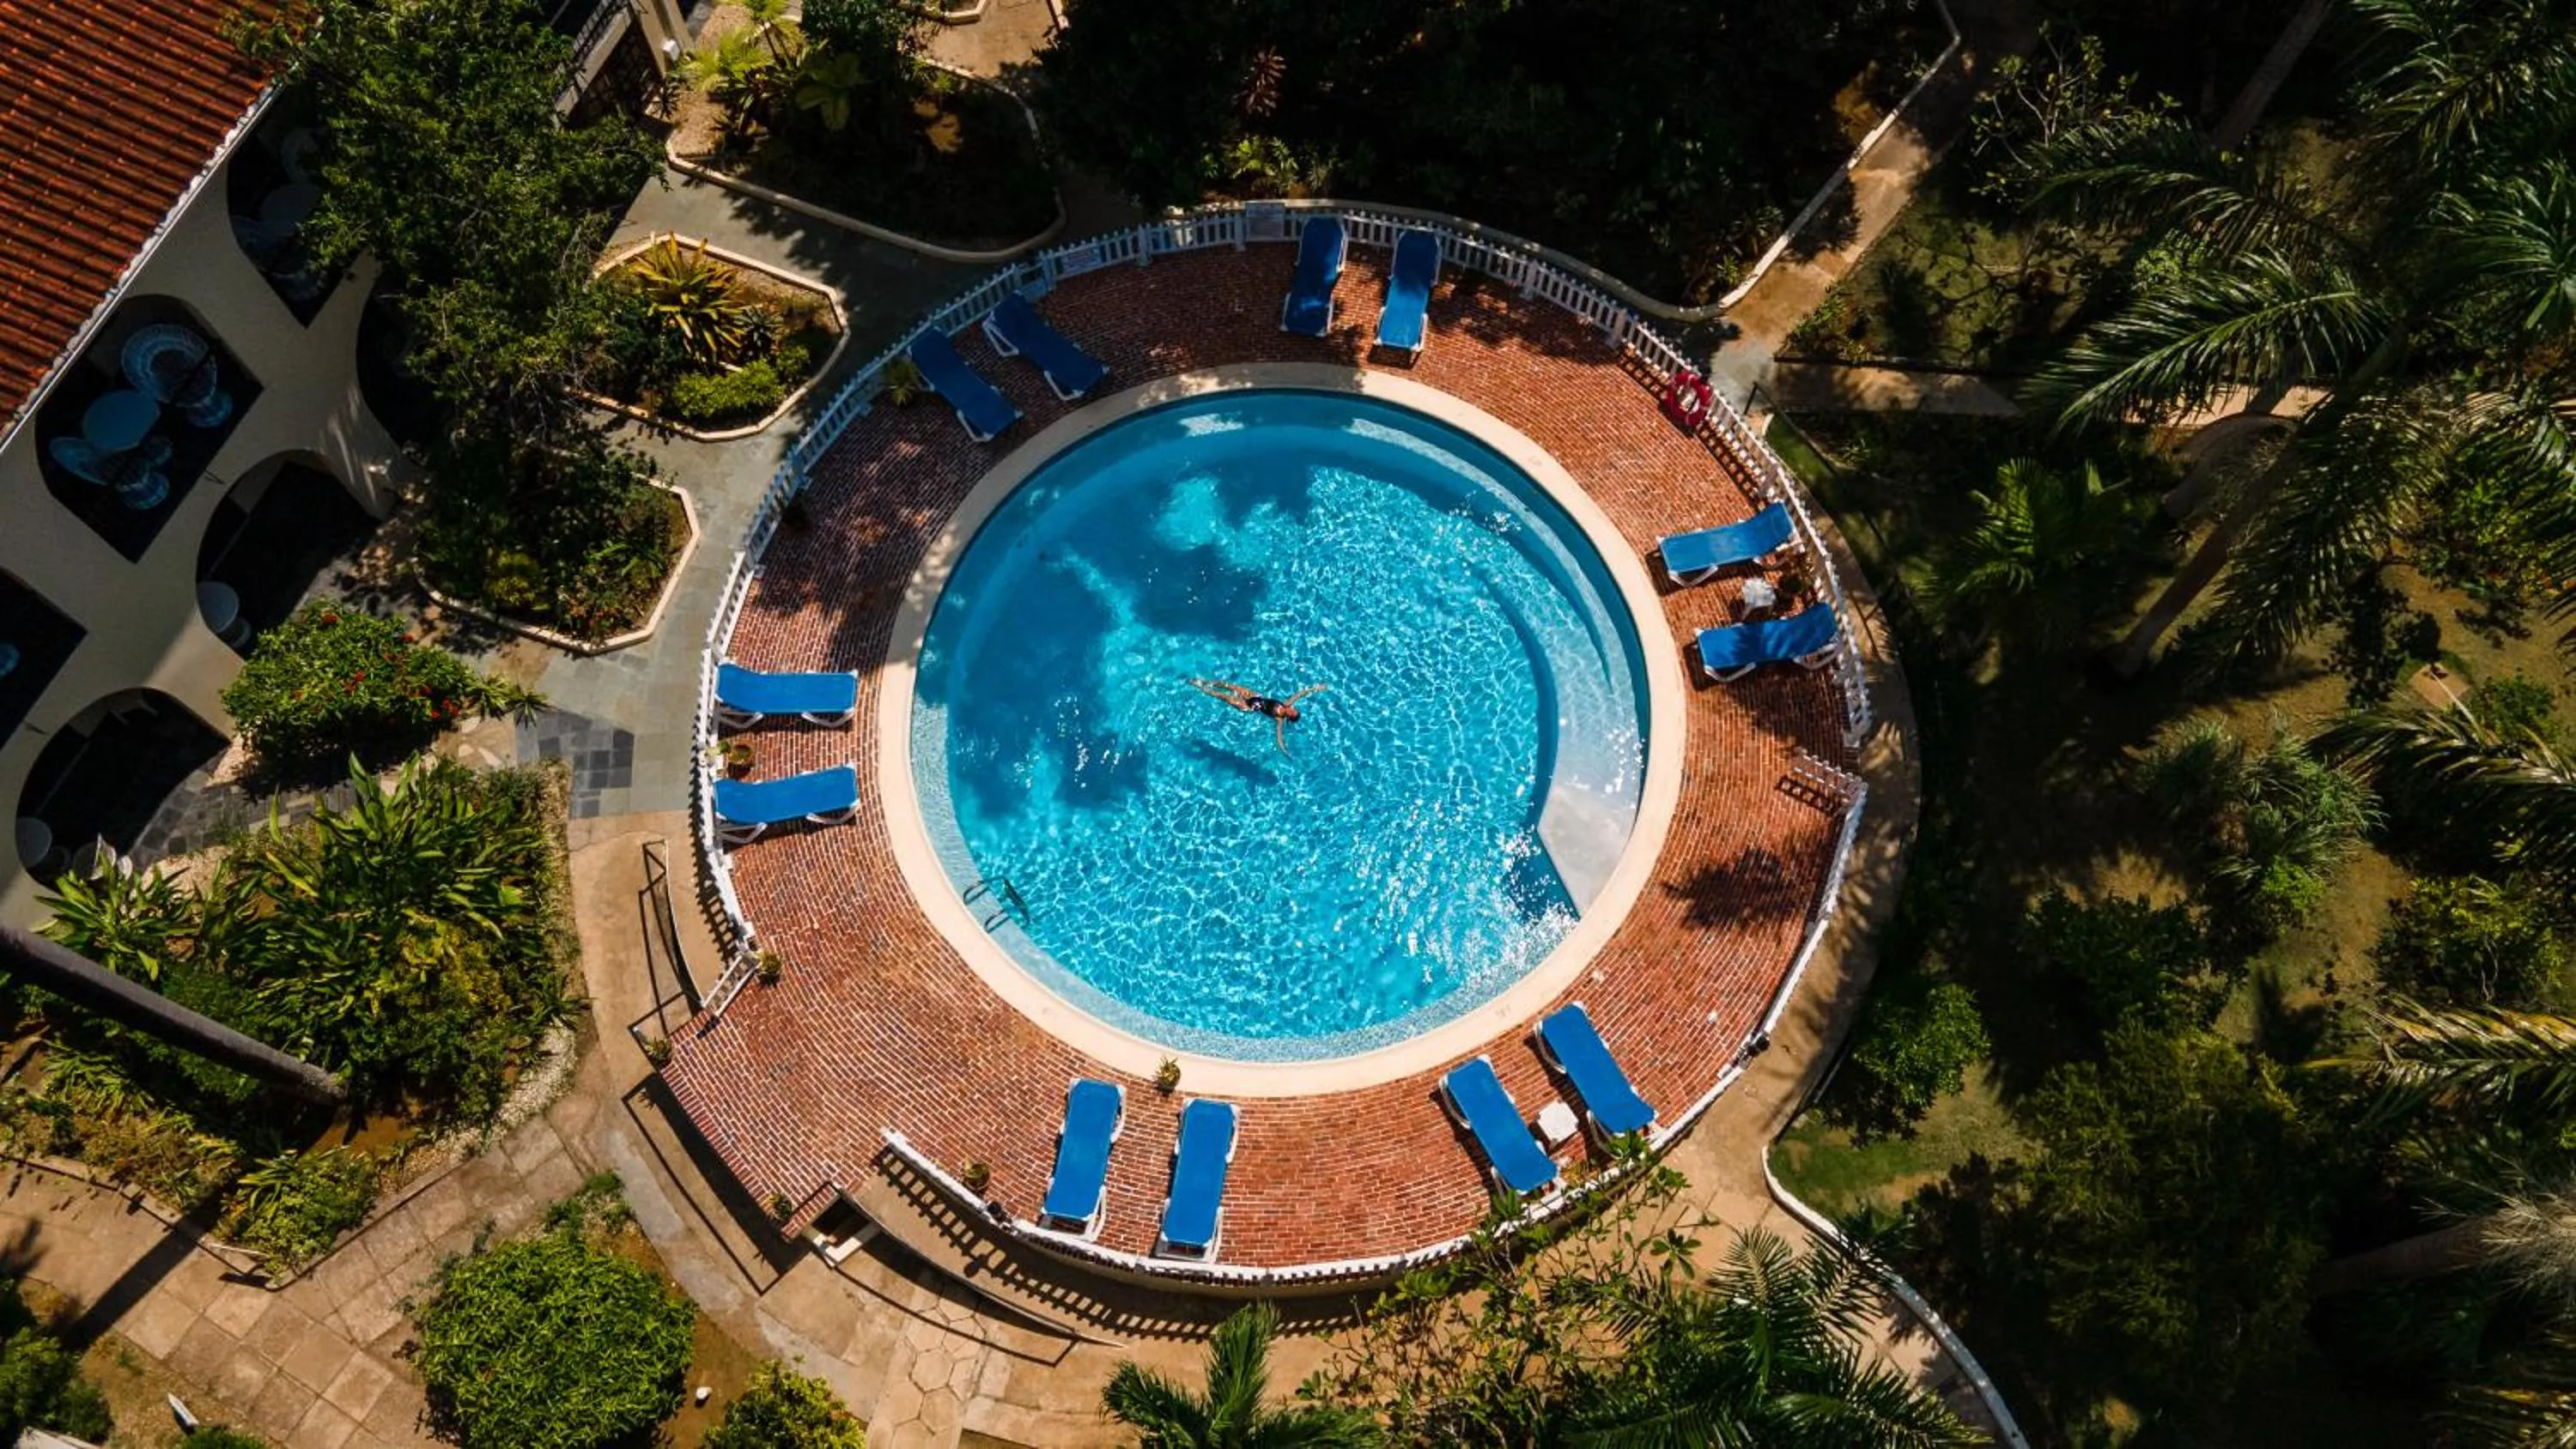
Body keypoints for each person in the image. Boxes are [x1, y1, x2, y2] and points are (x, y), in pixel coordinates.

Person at [1188, 678, 1327, 755]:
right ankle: (1207, 682)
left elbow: (1278, 737)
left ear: (1290, 717)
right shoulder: (1287, 704)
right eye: (1294, 709)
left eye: (1293, 712)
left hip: (1248, 706)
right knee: (1230, 686)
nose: (1293, 708)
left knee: (1222, 696)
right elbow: (1300, 694)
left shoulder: (1279, 719)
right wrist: (1316, 688)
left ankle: (1199, 687)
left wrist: (1284, 750)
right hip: (1255, 696)